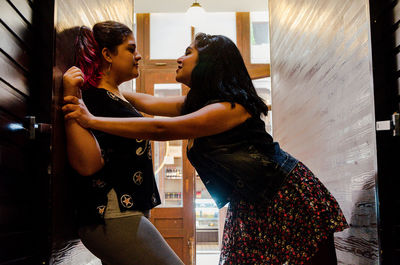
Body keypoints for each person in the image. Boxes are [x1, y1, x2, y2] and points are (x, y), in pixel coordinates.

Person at [63, 32, 349, 265]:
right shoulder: (201, 104)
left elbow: (161, 128)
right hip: (252, 201)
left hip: (286, 195)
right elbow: (144, 101)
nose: (179, 58)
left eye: (188, 52)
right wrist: (103, 83)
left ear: (209, 63)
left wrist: (90, 119)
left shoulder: (230, 108)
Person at [62, 21, 184, 265]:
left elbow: (174, 107)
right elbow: (87, 165)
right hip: (111, 214)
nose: (138, 56)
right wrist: (70, 95)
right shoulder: (94, 99)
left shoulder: (118, 97)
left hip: (126, 213)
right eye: (130, 49)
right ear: (107, 54)